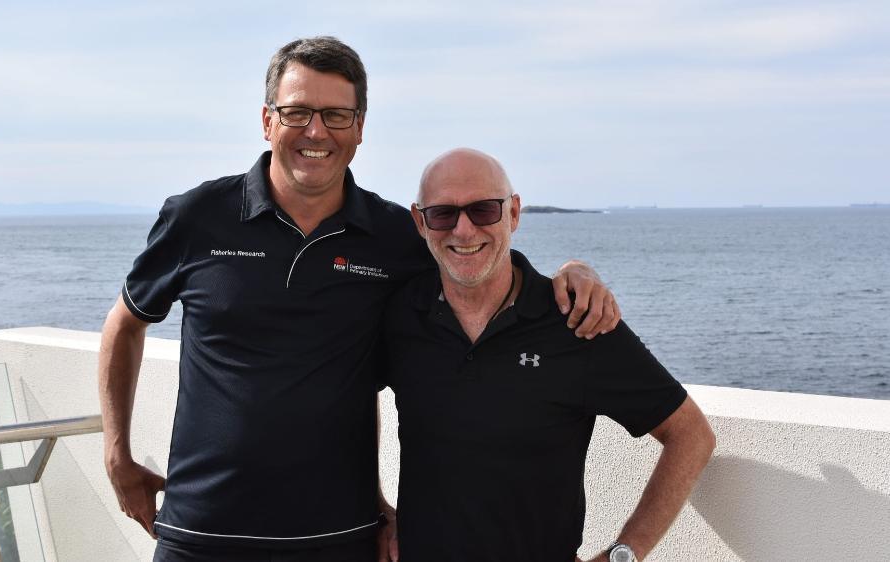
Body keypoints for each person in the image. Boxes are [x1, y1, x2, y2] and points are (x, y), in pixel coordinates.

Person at [98, 37, 621, 562]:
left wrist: (572, 272)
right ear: (266, 120)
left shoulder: (395, 236)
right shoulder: (196, 217)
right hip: (201, 535)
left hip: (342, 538)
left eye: (336, 115)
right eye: (297, 112)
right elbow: (125, 325)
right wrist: (117, 454)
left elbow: (479, 262)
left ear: (361, 127)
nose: (316, 131)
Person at [380, 148, 716, 562]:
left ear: (514, 213)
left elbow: (691, 435)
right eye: (443, 214)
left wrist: (623, 554)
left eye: (484, 210)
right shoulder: (399, 315)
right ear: (420, 222)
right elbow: (345, 396)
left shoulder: (575, 320)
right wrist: (378, 511)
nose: (463, 230)